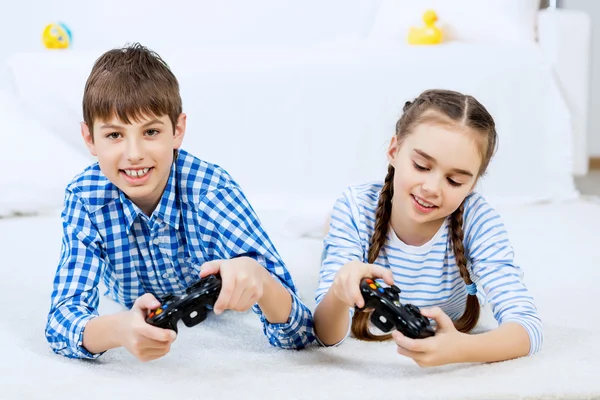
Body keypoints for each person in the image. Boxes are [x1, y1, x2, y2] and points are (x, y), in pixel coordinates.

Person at [45, 43, 315, 362]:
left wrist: (261, 279)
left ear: (178, 130)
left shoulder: (212, 192)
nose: (133, 153)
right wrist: (117, 329)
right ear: (89, 138)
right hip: (127, 299)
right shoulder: (85, 197)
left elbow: (302, 329)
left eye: (151, 131)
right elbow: (62, 320)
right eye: (115, 135)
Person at [313, 89, 543, 367]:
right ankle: (322, 222)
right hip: (358, 215)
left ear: (472, 186)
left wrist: (464, 349)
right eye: (421, 166)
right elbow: (325, 335)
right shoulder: (355, 208)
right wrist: (339, 292)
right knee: (331, 230)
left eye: (455, 181)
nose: (431, 189)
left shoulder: (478, 220)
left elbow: (528, 327)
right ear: (394, 151)